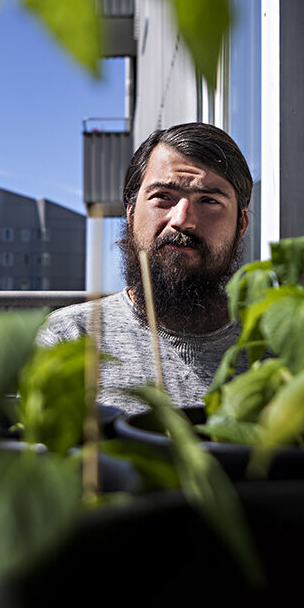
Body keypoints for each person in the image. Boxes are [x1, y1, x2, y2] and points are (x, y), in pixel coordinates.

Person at [37, 122, 253, 414]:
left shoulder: (277, 349)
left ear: (241, 226)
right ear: (130, 214)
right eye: (163, 197)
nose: (182, 220)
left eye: (209, 201)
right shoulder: (71, 338)